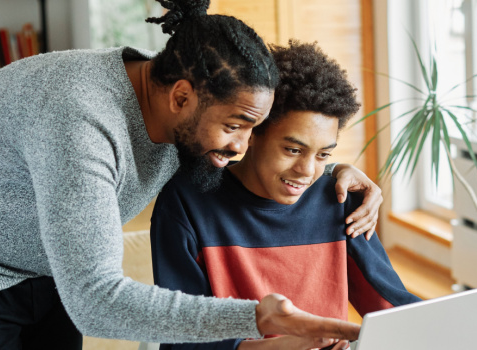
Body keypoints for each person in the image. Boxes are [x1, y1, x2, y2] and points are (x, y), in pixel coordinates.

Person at [0, 1, 381, 348]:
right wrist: (257, 317)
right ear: (181, 97)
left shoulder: (188, 107)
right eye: (236, 127)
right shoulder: (81, 124)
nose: (240, 146)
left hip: (48, 260)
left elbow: (261, 159)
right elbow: (96, 301)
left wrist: (329, 172)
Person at [150, 40, 422, 350]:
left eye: (323, 155)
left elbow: (396, 311)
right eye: (293, 150)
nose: (307, 170)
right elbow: (181, 337)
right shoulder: (187, 202)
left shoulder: (340, 198)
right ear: (252, 133)